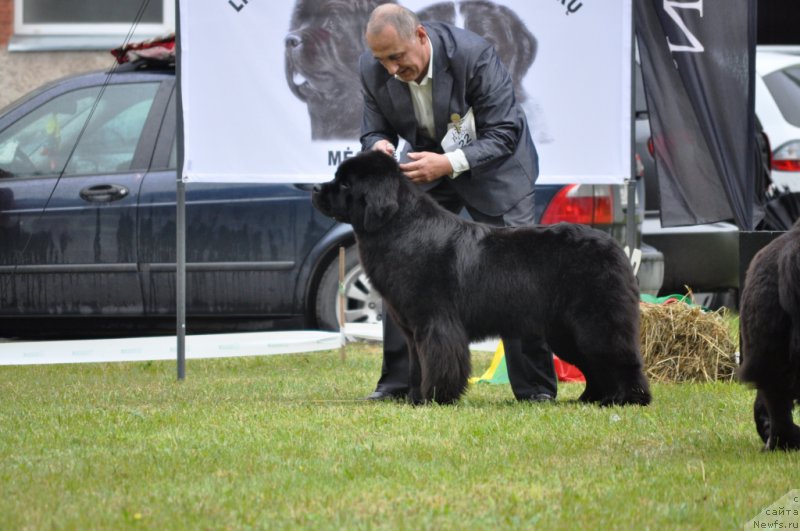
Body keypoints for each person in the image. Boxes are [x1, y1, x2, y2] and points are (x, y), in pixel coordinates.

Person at [359, 4, 556, 402]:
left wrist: (449, 163)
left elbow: (505, 131)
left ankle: (535, 388)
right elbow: (373, 129)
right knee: (401, 267)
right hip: (427, 166)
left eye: (397, 57)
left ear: (420, 36)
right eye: (383, 61)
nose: (392, 69)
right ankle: (399, 384)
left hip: (496, 169)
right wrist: (378, 145)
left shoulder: (474, 56)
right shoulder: (373, 67)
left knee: (518, 274)